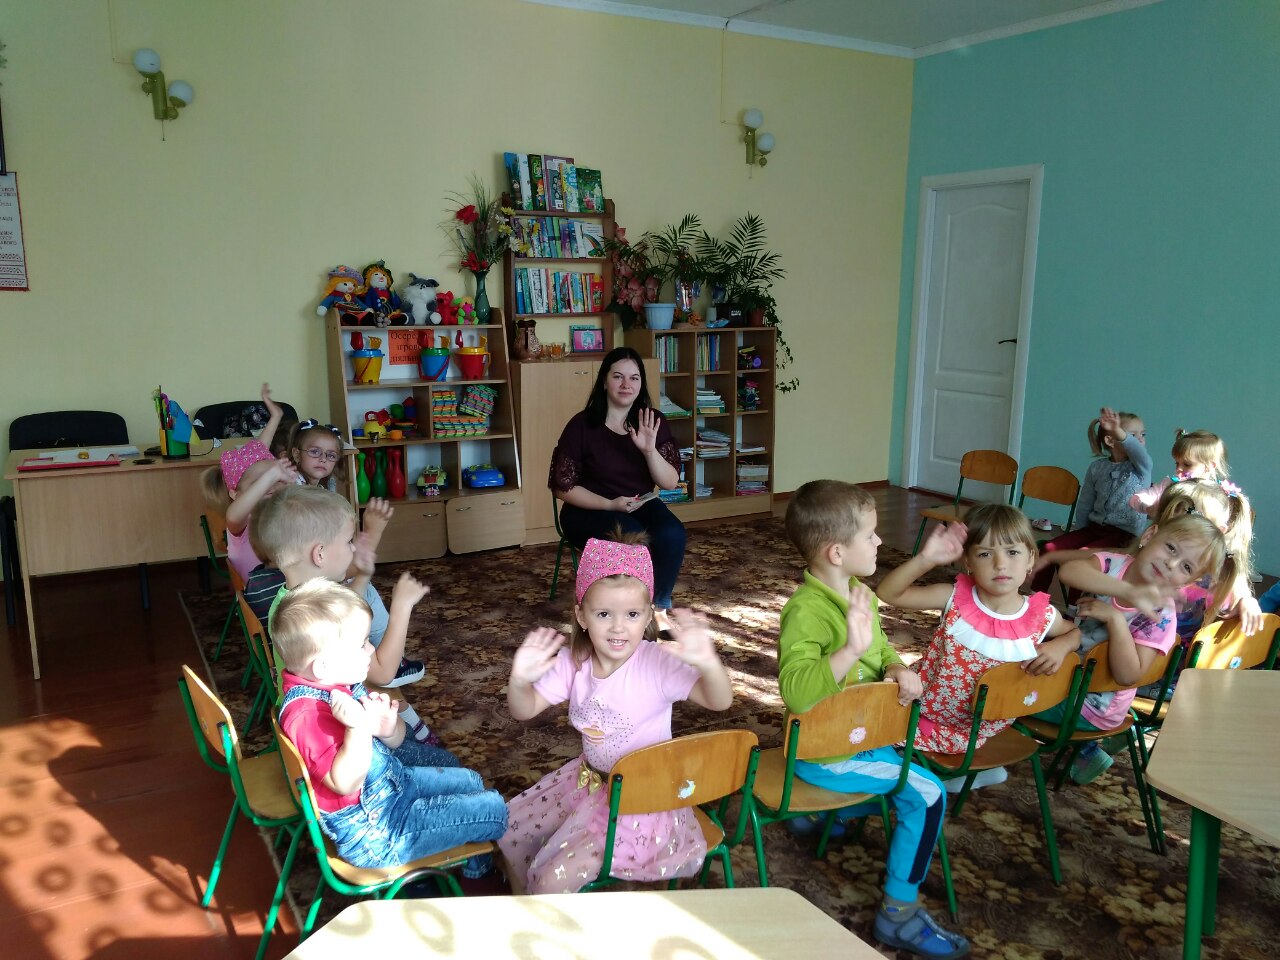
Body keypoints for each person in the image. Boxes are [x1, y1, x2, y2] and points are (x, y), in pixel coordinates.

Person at [778, 480, 968, 959]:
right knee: (928, 794)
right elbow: (796, 692)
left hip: (860, 734)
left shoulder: (857, 590)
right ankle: (897, 913)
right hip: (825, 752)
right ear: (837, 552)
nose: (880, 541)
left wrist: (896, 667)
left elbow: (880, 648)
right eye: (871, 535)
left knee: (915, 768)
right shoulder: (805, 612)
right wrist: (848, 651)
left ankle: (828, 816)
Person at [500, 534, 734, 894]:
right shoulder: (573, 662)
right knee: (510, 833)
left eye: (632, 614)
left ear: (649, 616)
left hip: (643, 803)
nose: (618, 627)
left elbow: (720, 701)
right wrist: (519, 681)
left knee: (549, 880)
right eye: (604, 614)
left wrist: (709, 663)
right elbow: (524, 709)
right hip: (588, 784)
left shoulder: (656, 663)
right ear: (581, 616)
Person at [273, 578, 507, 874]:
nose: (370, 649)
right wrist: (358, 728)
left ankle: (470, 865)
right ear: (323, 666)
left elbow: (395, 740)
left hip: (392, 788)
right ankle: (477, 878)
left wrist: (387, 729)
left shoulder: (337, 683)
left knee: (471, 781)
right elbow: (345, 783)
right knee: (495, 810)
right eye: (362, 644)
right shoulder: (308, 716)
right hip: (377, 830)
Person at [876, 505, 1080, 791]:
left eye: (1013, 552)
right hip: (920, 702)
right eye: (985, 554)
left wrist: (1062, 645)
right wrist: (926, 559)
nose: (1000, 564)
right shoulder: (954, 597)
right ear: (968, 562)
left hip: (974, 728)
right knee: (867, 710)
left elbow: (1074, 632)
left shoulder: (1042, 616)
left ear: (1031, 559)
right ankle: (962, 773)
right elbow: (888, 593)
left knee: (873, 736)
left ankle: (951, 774)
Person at [1043, 512, 1227, 784]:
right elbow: (1070, 571)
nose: (1171, 563)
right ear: (1150, 535)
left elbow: (1128, 675)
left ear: (1187, 584)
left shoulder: (1160, 616)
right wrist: (1126, 592)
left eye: (1186, 567)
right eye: (1171, 548)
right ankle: (1086, 749)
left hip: (1093, 705)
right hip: (1068, 670)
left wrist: (1115, 620)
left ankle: (1086, 749)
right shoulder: (1114, 564)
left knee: (1002, 697)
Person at [246, 485, 435, 740]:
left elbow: (342, 611)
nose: (353, 549)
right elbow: (383, 673)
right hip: (334, 726)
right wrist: (402, 606)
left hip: (304, 709)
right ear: (320, 554)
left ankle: (415, 733)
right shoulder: (320, 616)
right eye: (348, 542)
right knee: (446, 763)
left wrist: (363, 575)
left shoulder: (290, 602)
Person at [549, 346, 685, 611]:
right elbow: (562, 487)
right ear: (604, 381)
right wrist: (610, 504)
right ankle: (627, 608)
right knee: (630, 535)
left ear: (641, 383)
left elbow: (669, 482)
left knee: (672, 533)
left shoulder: (652, 421)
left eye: (634, 378)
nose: (626, 385)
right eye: (618, 376)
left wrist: (649, 451)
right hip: (588, 508)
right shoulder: (582, 425)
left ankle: (658, 607)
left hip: (638, 503)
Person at [1029, 407, 1153, 594]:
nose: (1140, 439)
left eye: (1143, 434)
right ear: (1110, 441)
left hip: (1124, 536)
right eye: (1132, 435)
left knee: (1082, 560)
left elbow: (1139, 453)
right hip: (1093, 529)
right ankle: (1036, 597)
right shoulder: (1097, 467)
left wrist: (1118, 431)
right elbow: (1085, 503)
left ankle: (1075, 607)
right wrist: (1079, 533)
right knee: (1048, 548)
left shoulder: (1141, 468)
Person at [198, 383, 298, 581]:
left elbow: (260, 450)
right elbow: (234, 514)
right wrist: (272, 474)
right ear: (235, 494)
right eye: (260, 482)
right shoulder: (243, 522)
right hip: (263, 598)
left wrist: (276, 417)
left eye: (274, 478)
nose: (269, 486)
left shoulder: (278, 510)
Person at [1129, 429, 1230, 518]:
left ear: (1210, 466)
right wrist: (1148, 507)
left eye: (1187, 464)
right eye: (1177, 463)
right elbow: (1137, 499)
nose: (1179, 468)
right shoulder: (1170, 485)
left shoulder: (1216, 494)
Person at [287, 418, 345, 491]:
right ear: (297, 455)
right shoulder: (291, 484)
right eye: (315, 452)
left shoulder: (321, 488)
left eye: (331, 455)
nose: (323, 459)